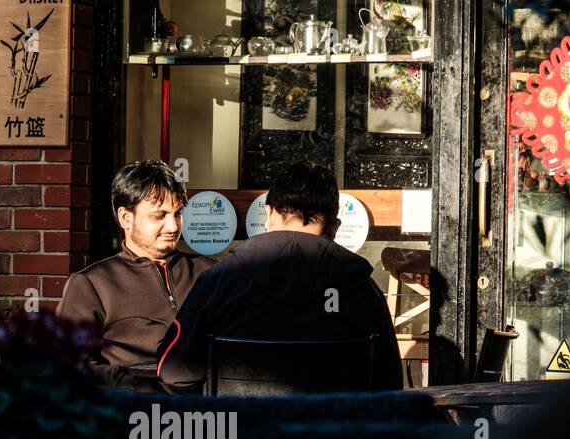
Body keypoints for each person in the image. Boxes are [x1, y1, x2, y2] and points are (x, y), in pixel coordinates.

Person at [156, 160, 403, 393]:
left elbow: (173, 370)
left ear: (269, 214)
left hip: (243, 432)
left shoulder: (220, 281)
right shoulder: (362, 290)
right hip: (333, 434)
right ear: (334, 228)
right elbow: (389, 384)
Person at [57, 160, 215, 390]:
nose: (173, 226)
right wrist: (133, 387)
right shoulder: (92, 284)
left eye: (177, 213)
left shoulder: (210, 272)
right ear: (125, 218)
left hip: (216, 411)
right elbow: (69, 365)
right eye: (159, 216)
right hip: (136, 415)